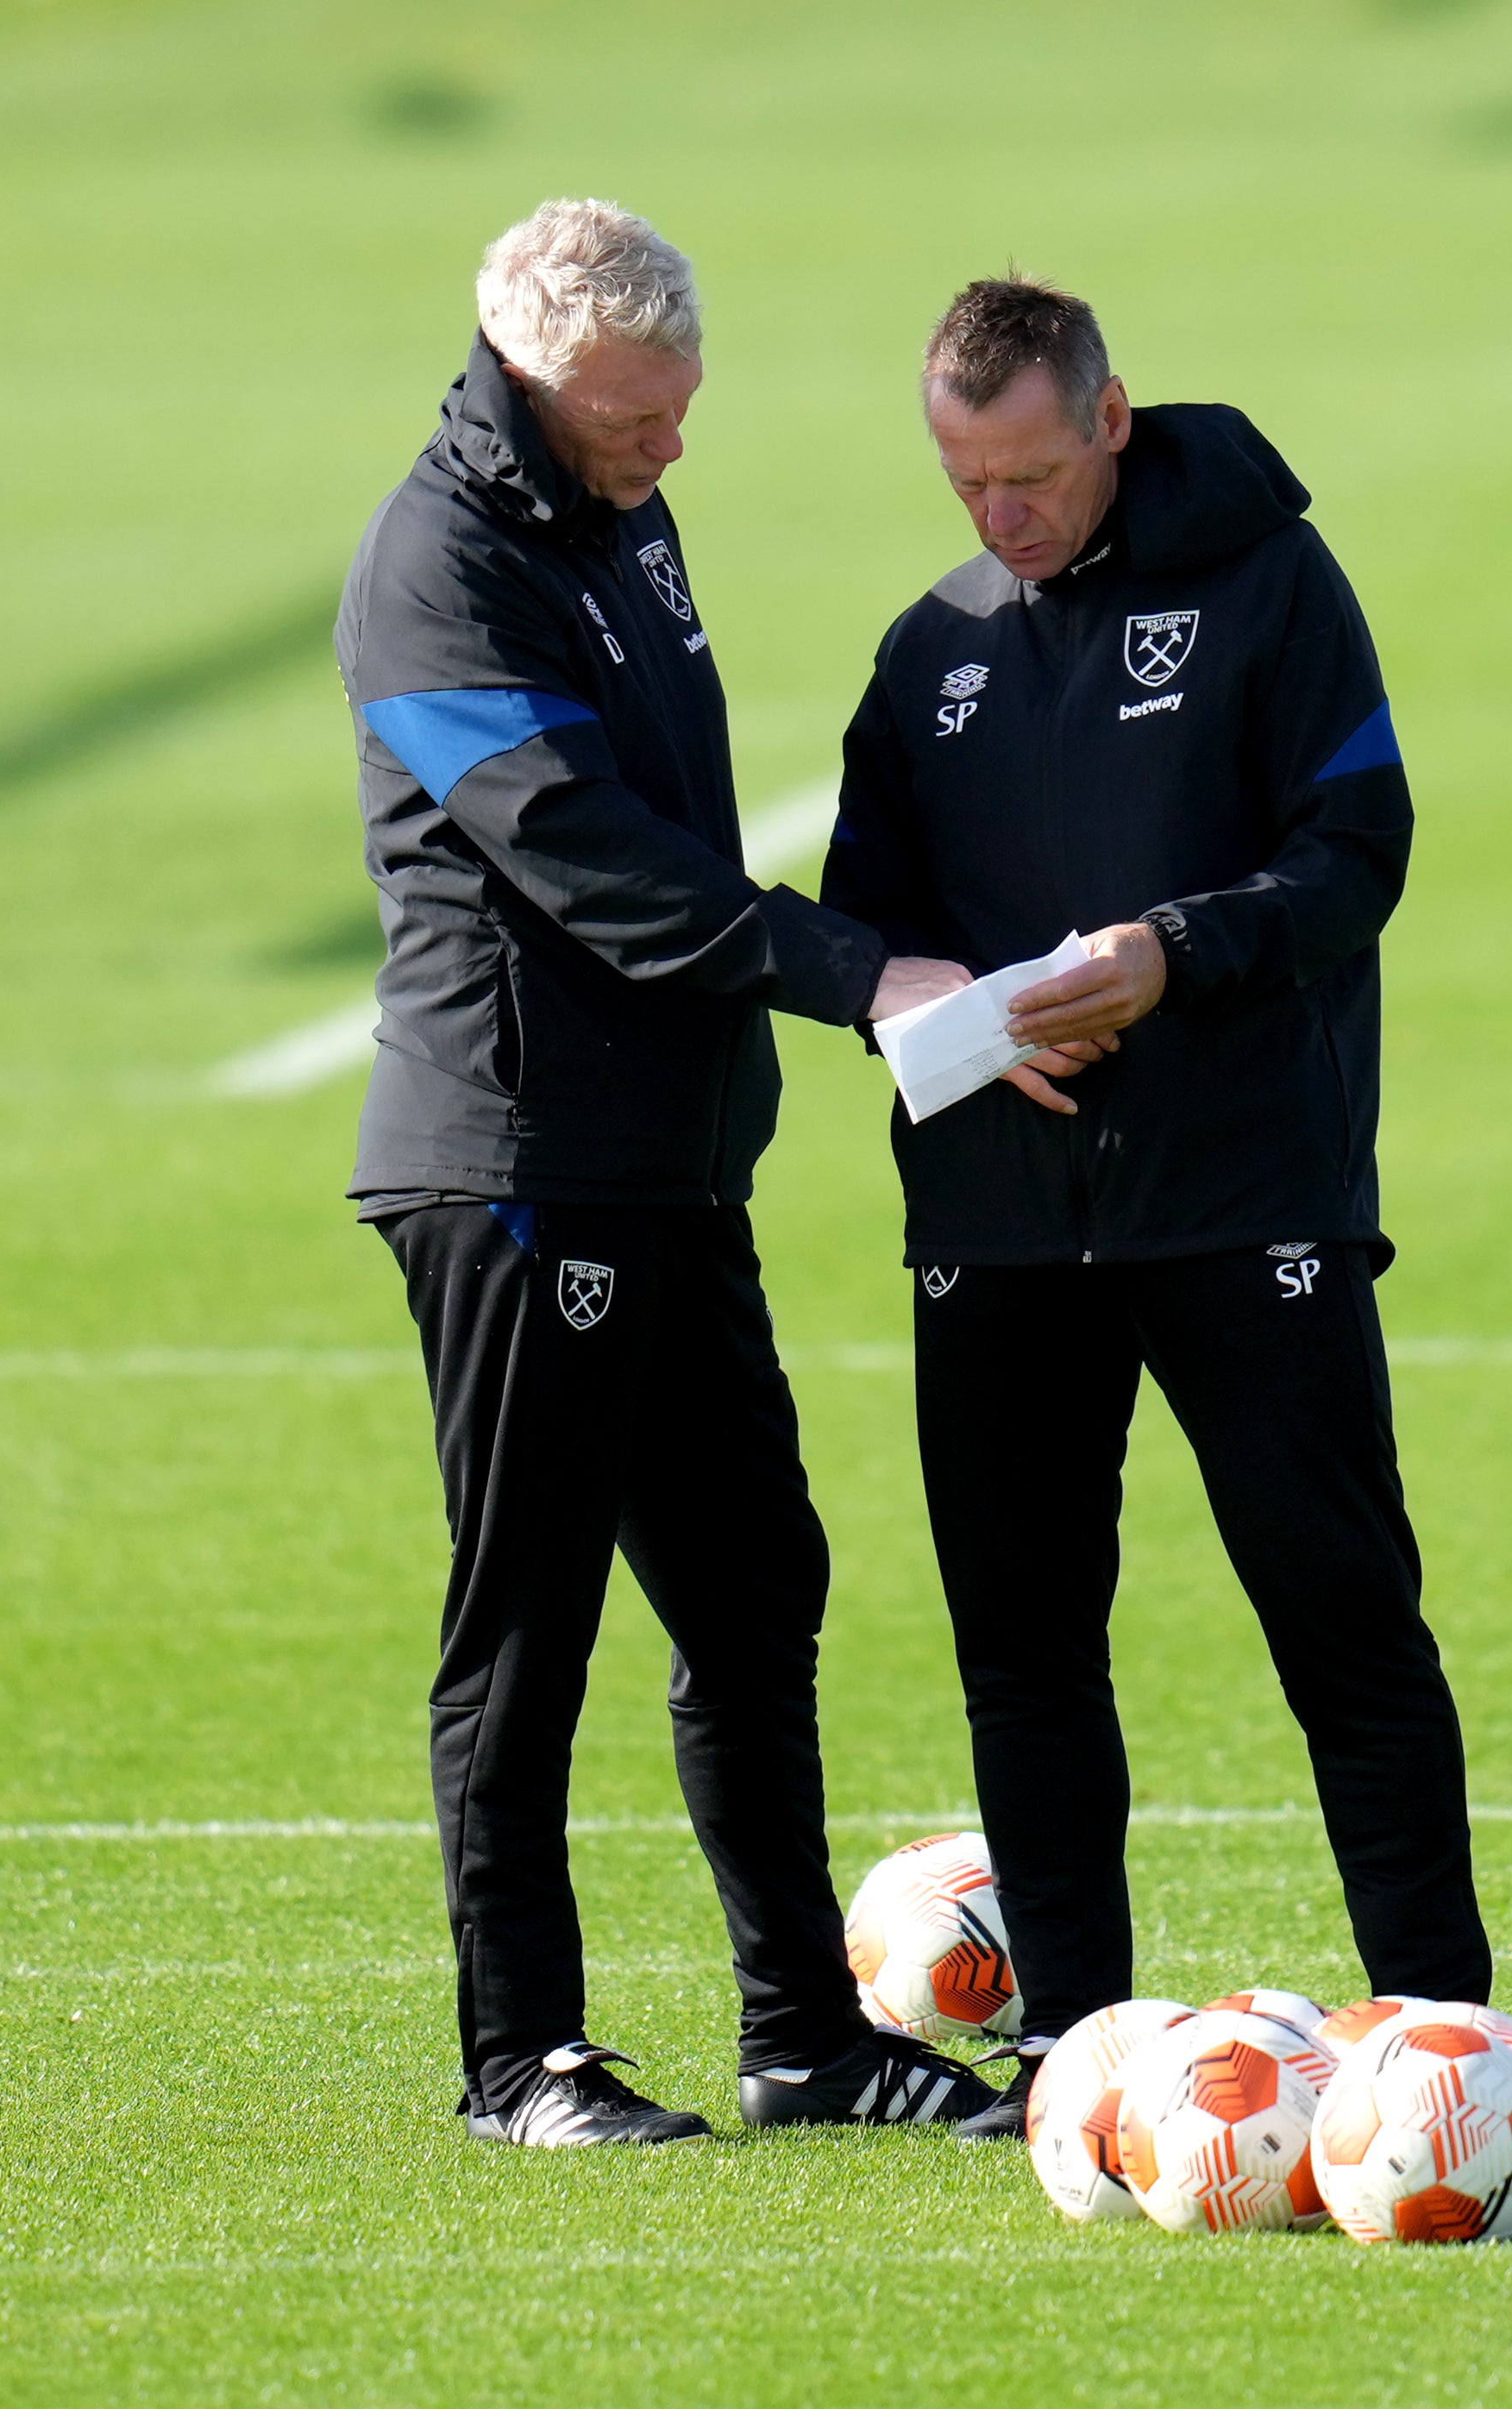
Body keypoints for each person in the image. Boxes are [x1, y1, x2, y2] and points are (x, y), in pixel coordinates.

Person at [338, 200, 997, 2146]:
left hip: (668, 1167)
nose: (671, 447)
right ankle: (516, 2057)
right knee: (526, 1619)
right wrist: (857, 972)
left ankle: (804, 2034)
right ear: (535, 372)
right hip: (522, 1166)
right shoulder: (438, 566)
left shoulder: (614, 507)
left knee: (751, 1584)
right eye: (640, 416)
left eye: (681, 409)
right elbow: (592, 858)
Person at [819, 277, 1492, 2141]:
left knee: (1341, 1616)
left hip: (1239, 1195)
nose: (1000, 515)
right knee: (1022, 1647)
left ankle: (1440, 2035)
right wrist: (926, 1003)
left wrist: (1169, 954)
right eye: (964, 483)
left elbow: (1358, 854)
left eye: (1029, 472)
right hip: (996, 1217)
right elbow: (862, 919)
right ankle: (1073, 2057)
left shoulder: (1275, 587)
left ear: (1108, 418)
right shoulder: (925, 649)